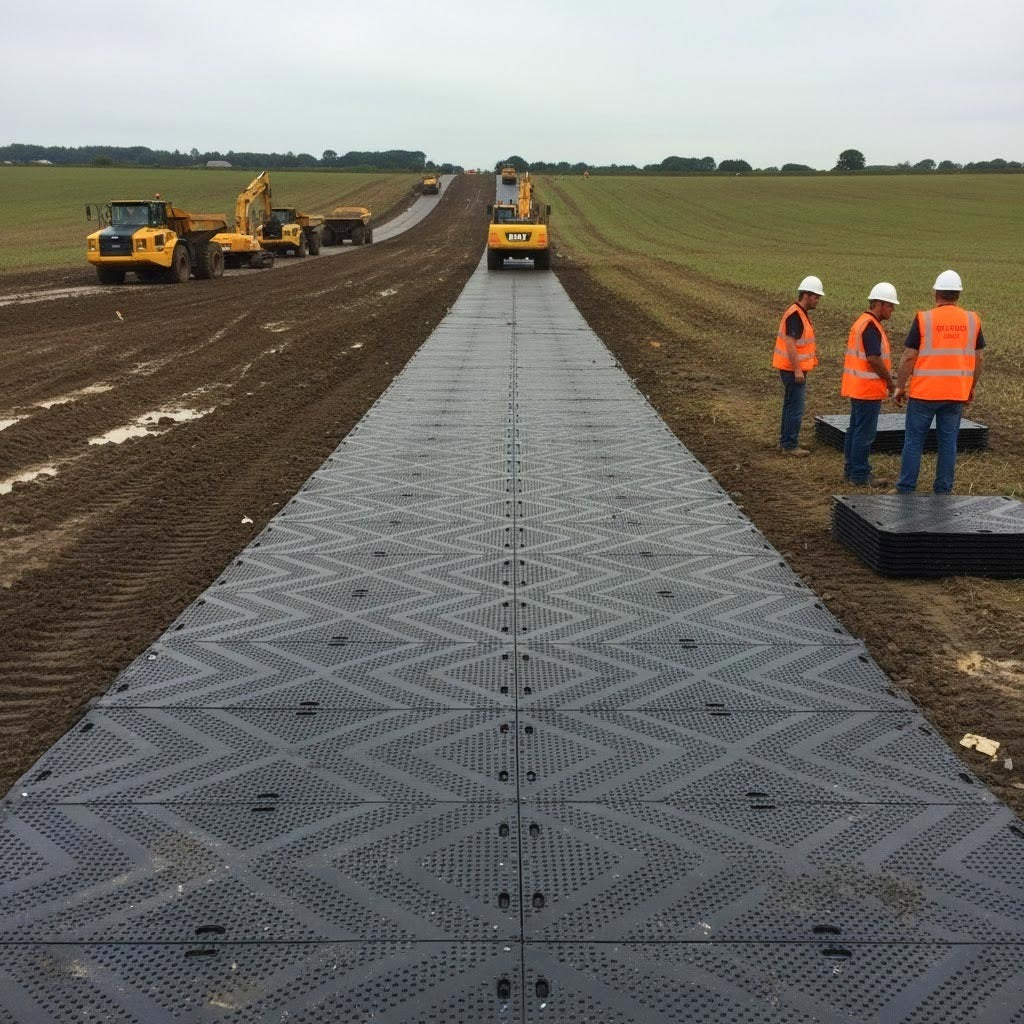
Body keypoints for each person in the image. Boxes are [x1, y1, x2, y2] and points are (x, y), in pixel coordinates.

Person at [893, 270, 985, 494]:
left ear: (936, 294)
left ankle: (906, 487)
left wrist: (900, 386)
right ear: (958, 295)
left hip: (924, 393)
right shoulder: (972, 320)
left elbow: (908, 356)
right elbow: (979, 358)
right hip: (955, 394)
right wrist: (970, 387)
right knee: (948, 443)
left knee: (914, 441)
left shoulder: (924, 319)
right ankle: (943, 490)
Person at [841, 283, 899, 486]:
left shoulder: (863, 322)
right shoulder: (870, 326)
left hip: (858, 387)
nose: (892, 310)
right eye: (890, 305)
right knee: (864, 434)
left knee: (855, 430)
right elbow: (874, 359)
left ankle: (851, 471)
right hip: (867, 389)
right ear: (879, 304)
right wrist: (891, 384)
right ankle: (860, 474)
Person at [772, 276, 824, 455]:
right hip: (792, 370)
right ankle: (789, 445)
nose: (818, 300)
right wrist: (797, 370)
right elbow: (790, 343)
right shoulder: (796, 314)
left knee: (790, 405)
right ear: (806, 295)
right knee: (795, 407)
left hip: (791, 368)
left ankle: (785, 441)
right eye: (816, 297)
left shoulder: (799, 313)